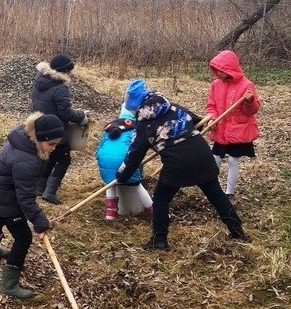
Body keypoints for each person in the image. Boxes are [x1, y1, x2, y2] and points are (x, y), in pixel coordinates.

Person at [116, 79, 250, 250]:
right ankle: (238, 232)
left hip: (178, 164)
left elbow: (133, 156)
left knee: (161, 199)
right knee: (216, 195)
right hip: (202, 154)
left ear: (136, 107)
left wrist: (121, 176)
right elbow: (197, 122)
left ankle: (159, 240)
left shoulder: (144, 125)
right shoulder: (172, 107)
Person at [0, 112, 64, 298]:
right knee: (24, 237)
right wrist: (39, 221)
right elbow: (25, 198)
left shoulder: (24, 138)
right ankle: (9, 284)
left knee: (1, 213)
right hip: (0, 193)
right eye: (51, 144)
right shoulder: (26, 161)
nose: (53, 149)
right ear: (40, 137)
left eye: (56, 145)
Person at [30, 53, 89, 204]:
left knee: (50, 157)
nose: (70, 74)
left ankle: (39, 187)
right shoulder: (59, 88)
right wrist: (82, 116)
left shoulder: (40, 81)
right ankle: (50, 192)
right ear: (64, 71)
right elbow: (66, 112)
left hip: (41, 126)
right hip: (56, 128)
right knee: (64, 159)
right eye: (69, 71)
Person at [205, 49, 260, 196]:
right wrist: (212, 118)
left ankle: (229, 192)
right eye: (217, 70)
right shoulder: (216, 85)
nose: (219, 73)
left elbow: (252, 111)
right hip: (221, 129)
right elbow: (211, 105)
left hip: (238, 131)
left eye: (221, 70)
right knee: (215, 159)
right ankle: (212, 189)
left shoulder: (246, 85)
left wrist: (249, 101)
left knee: (233, 161)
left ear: (230, 68)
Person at [95, 103, 153, 220]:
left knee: (110, 183)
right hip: (123, 161)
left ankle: (111, 213)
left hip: (104, 161)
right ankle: (152, 210)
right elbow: (138, 151)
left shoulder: (109, 128)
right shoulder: (135, 129)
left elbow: (100, 148)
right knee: (136, 185)